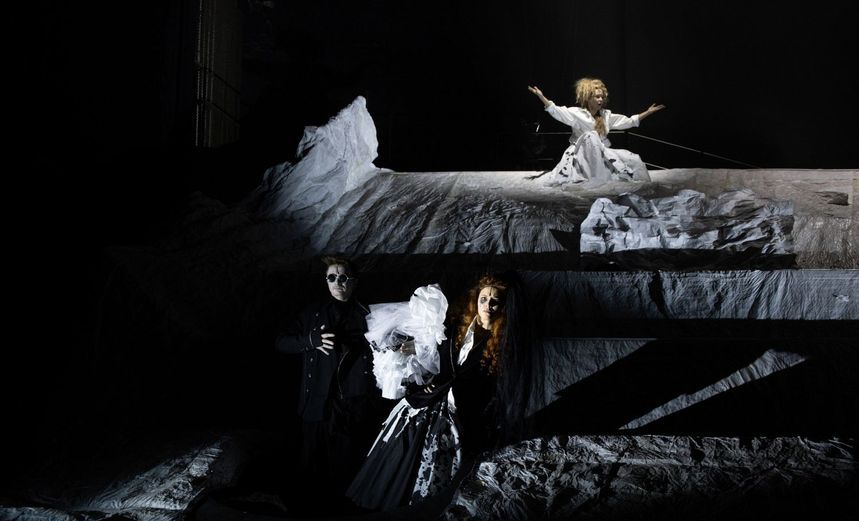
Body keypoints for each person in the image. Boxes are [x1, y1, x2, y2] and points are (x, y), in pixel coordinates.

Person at [346, 272, 533, 511]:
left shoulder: (503, 344)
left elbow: (494, 389)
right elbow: (429, 354)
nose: (488, 305)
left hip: (464, 411)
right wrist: (407, 358)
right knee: (404, 446)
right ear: (476, 301)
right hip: (430, 399)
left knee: (441, 465)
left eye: (495, 301)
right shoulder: (455, 328)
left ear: (503, 306)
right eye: (484, 299)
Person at [274, 256, 387, 513]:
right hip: (317, 403)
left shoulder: (369, 315)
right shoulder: (312, 314)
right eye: (331, 277)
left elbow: (388, 347)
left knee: (345, 468)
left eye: (343, 277)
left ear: (354, 282)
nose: (337, 282)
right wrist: (310, 341)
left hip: (352, 405)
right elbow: (281, 342)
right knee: (310, 467)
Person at [528, 78, 665, 184]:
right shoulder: (577, 113)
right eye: (597, 97)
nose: (600, 100)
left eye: (602, 97)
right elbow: (557, 111)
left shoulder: (606, 115)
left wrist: (647, 112)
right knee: (591, 136)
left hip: (602, 152)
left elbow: (628, 121)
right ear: (588, 98)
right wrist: (541, 97)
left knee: (633, 159)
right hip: (581, 154)